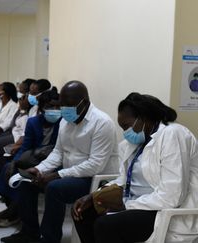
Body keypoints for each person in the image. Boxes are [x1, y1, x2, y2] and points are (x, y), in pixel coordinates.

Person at [1, 80, 119, 243]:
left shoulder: (102, 123)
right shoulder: (66, 120)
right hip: (70, 173)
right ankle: (29, 232)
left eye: (67, 104)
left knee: (54, 188)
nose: (63, 109)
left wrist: (57, 175)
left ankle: (50, 238)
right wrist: (40, 169)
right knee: (27, 181)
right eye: (62, 104)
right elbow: (58, 152)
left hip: (95, 179)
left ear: (83, 102)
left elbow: (95, 165)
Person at [73, 92, 198, 243]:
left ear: (143, 118)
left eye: (126, 126)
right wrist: (94, 196)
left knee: (105, 225)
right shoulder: (133, 143)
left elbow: (172, 196)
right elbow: (123, 179)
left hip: (164, 210)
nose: (125, 132)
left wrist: (126, 204)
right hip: (137, 203)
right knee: (83, 212)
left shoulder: (173, 134)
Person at [0, 89, 62, 228]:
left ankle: (12, 213)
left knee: (26, 178)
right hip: (34, 158)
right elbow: (25, 146)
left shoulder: (63, 123)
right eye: (51, 107)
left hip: (53, 162)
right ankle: (16, 211)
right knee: (7, 169)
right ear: (41, 108)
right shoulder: (33, 122)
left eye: (58, 107)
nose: (55, 110)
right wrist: (15, 161)